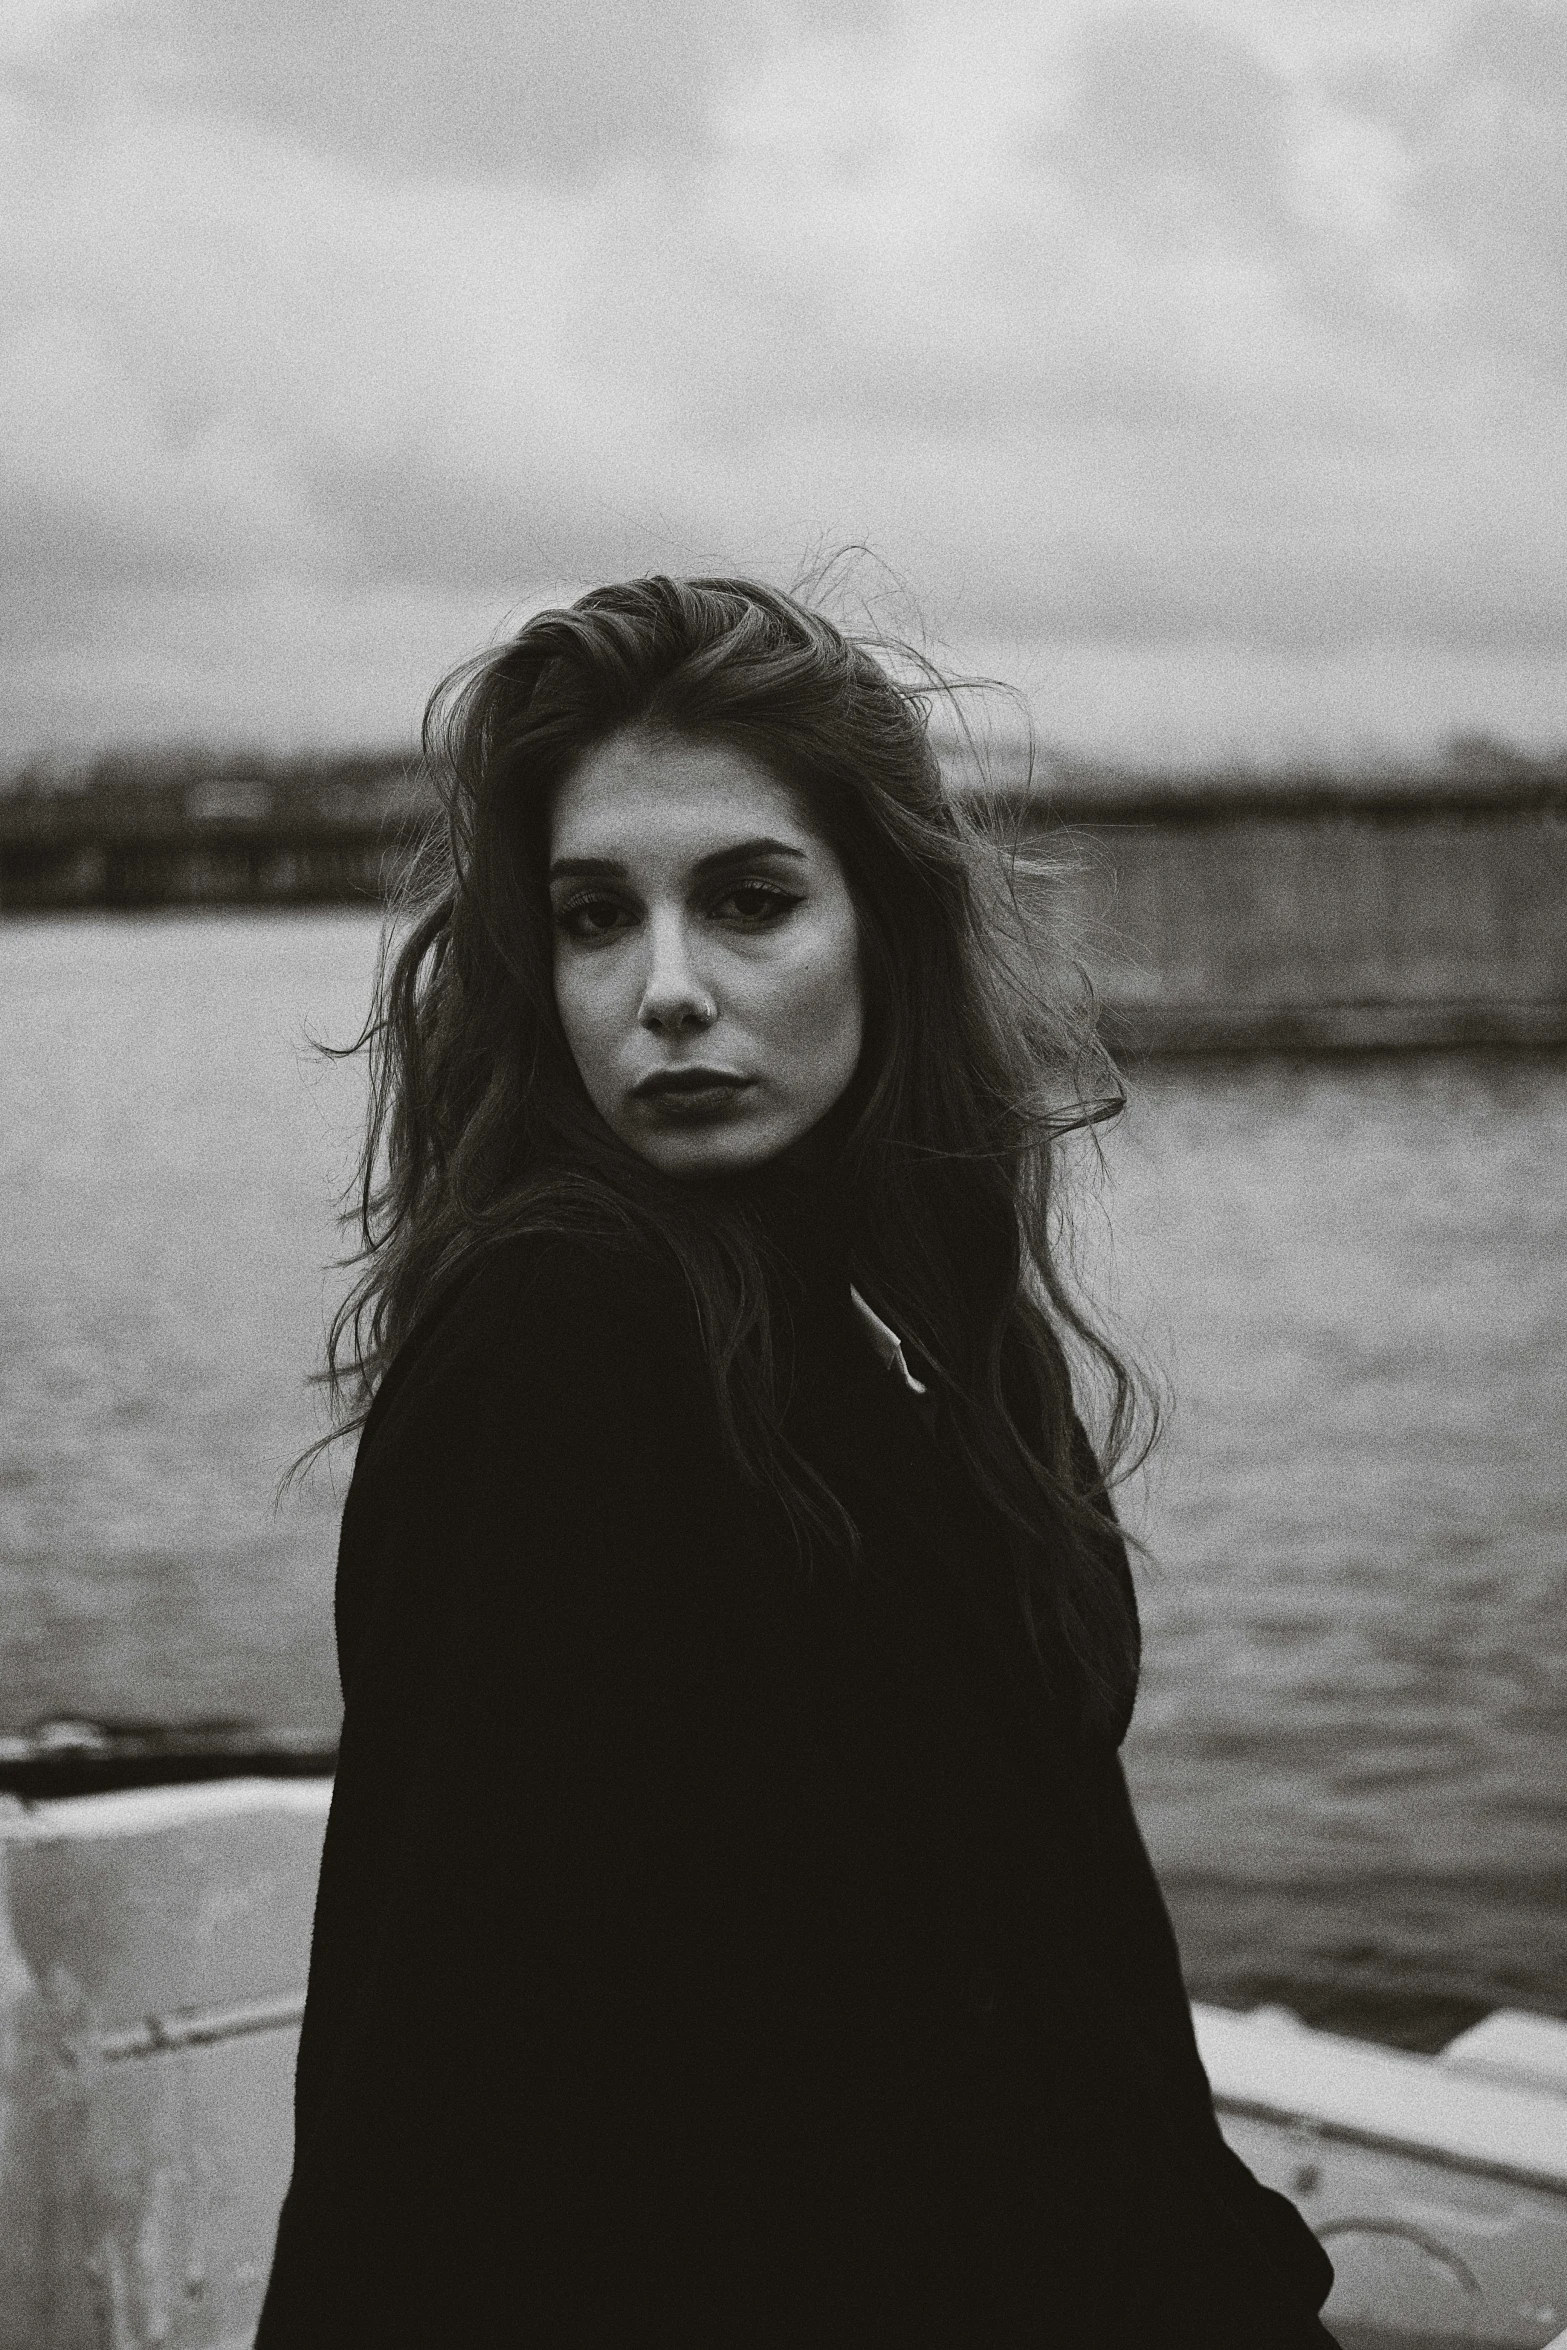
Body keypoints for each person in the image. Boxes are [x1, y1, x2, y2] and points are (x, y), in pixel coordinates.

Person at [256, 575, 1338, 2347]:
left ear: (880, 923)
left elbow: (1049, 1963)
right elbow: (460, 2067)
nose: (665, 990)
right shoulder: (566, 1327)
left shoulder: (904, 1302)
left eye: (748, 902)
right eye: (596, 919)